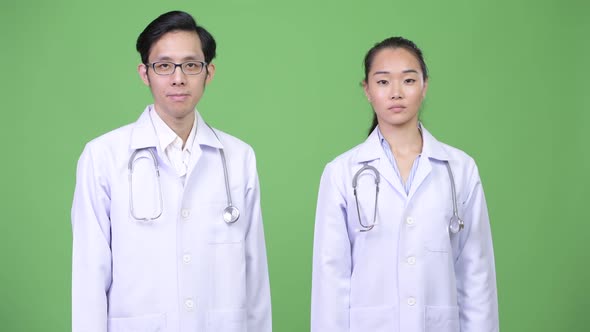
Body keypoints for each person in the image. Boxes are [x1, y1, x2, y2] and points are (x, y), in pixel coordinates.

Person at [71, 11, 271, 332]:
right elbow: (89, 275)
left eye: (191, 65)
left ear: (209, 73)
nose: (178, 78)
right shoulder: (102, 157)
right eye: (164, 66)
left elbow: (255, 274)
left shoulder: (238, 157)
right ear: (144, 73)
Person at [310, 37, 498, 331]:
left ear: (424, 86)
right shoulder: (341, 173)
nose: (396, 93)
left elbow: (476, 275)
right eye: (383, 82)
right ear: (367, 90)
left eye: (408, 80)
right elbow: (330, 280)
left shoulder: (460, 169)